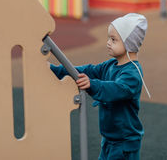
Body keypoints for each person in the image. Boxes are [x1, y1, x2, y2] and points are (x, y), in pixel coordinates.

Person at [50, 13, 150, 160]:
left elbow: (118, 89)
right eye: (109, 38)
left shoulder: (133, 73)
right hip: (109, 139)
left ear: (130, 43)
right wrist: (57, 70)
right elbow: (89, 70)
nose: (108, 42)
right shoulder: (110, 65)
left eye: (114, 39)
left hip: (125, 143)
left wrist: (92, 84)